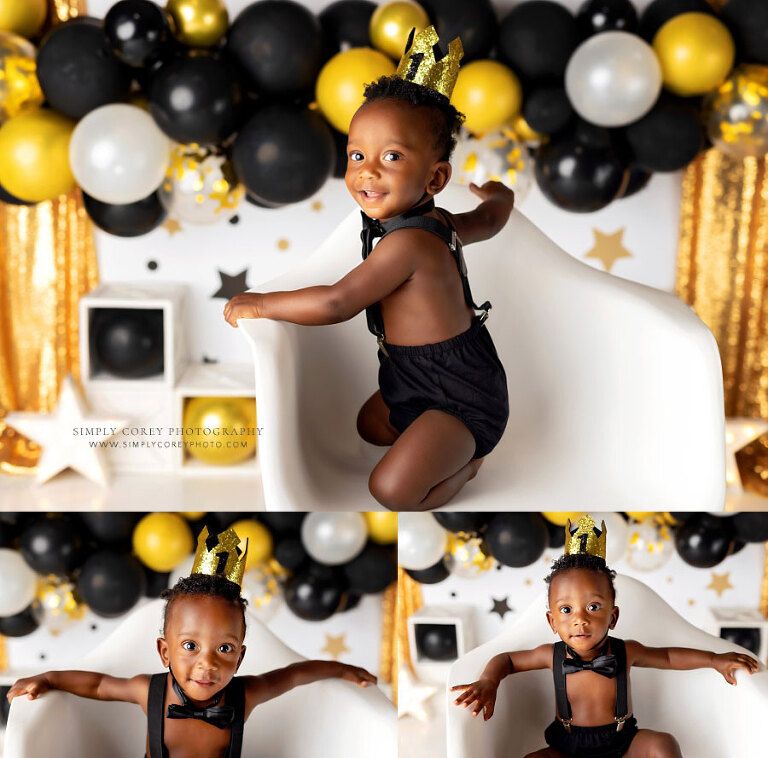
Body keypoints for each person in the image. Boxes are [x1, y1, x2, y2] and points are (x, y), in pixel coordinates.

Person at [223, 26, 512, 511]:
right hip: (411, 376)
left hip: (461, 397)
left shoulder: (411, 243)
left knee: (390, 491)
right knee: (368, 427)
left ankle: (469, 464)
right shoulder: (433, 220)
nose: (367, 171)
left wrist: (261, 303)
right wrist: (500, 196)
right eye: (357, 154)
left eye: (392, 156)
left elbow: (337, 302)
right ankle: (426, 440)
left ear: (436, 177)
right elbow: (487, 220)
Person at [6, 527, 376, 758]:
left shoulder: (244, 695)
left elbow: (295, 674)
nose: (207, 663)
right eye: (190, 646)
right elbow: (99, 684)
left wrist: (342, 668)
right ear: (164, 651)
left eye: (225, 649)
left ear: (241, 658)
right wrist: (50, 678)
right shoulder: (147, 691)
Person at [450, 516, 759, 758]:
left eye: (594, 607)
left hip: (622, 742)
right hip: (567, 747)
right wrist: (489, 681)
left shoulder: (626, 651)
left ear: (613, 617)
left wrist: (714, 659)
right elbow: (506, 659)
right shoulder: (551, 655)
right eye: (567, 610)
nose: (580, 619)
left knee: (663, 743)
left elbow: (667, 656)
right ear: (552, 621)